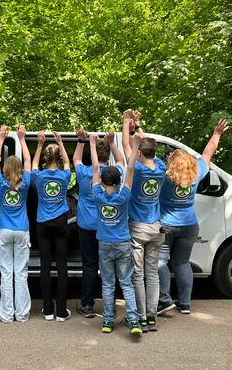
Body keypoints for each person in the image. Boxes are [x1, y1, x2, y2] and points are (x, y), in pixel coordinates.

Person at [158, 119, 229, 315]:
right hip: (189, 225)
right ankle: (185, 303)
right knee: (181, 263)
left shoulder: (164, 177)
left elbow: (146, 156)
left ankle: (164, 300)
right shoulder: (196, 173)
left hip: (166, 225)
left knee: (160, 262)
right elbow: (208, 153)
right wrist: (217, 134)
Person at [90, 128, 143, 336]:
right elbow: (129, 169)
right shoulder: (123, 197)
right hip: (122, 243)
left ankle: (108, 321)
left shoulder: (97, 195)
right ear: (119, 182)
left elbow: (95, 167)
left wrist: (93, 144)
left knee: (108, 284)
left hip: (104, 243)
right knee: (126, 283)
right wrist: (135, 145)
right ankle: (133, 320)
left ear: (102, 181)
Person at [122, 109, 167, 332]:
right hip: (157, 228)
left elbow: (125, 146)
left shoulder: (137, 169)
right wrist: (138, 125)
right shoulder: (160, 169)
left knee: (138, 275)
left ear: (138, 153)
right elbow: (151, 149)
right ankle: (151, 316)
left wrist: (126, 122)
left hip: (137, 227)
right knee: (152, 274)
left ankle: (140, 316)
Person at [73, 130, 125, 318]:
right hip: (107, 225)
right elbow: (121, 162)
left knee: (89, 265)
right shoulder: (114, 173)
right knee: (108, 267)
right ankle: (109, 305)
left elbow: (76, 159)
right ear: (108, 155)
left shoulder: (85, 172)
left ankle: (86, 305)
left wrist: (82, 141)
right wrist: (112, 143)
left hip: (86, 225)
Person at [0, 124, 32, 323]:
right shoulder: (24, 184)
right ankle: (22, 314)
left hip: (5, 230)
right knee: (21, 273)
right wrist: (22, 139)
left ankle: (7, 315)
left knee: (6, 273)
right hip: (22, 230)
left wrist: (1, 139)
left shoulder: (0, 183)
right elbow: (28, 161)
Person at [32, 131, 72, 322]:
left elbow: (32, 165)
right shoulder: (65, 176)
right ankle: (61, 311)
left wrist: (39, 145)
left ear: (46, 159)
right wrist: (60, 143)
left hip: (43, 223)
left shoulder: (38, 177)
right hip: (61, 222)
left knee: (45, 267)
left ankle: (48, 310)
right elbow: (67, 164)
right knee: (62, 266)